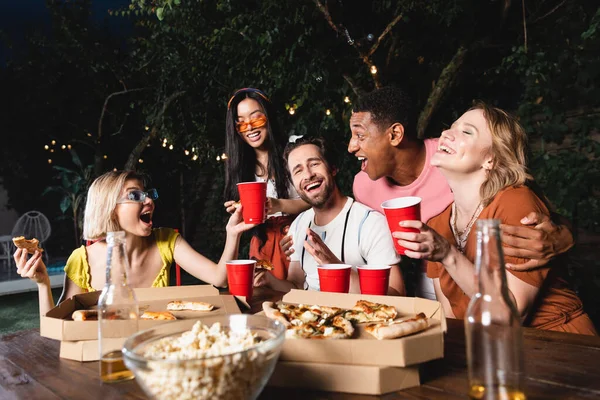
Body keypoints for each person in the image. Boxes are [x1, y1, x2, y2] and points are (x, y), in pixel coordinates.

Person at [347, 86, 575, 299]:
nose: (351, 147)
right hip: (429, 284)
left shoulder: (454, 158)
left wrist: (565, 236)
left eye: (360, 136)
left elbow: (534, 208)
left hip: (484, 282)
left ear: (395, 134)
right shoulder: (363, 186)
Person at [393, 103, 596, 334]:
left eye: (467, 131)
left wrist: (448, 254)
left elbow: (510, 315)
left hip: (559, 342)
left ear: (490, 159)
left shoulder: (516, 202)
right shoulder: (437, 224)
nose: (446, 134)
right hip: (488, 347)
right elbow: (451, 315)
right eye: (451, 127)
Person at [15, 170, 255, 316]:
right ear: (109, 209)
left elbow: (219, 278)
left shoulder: (166, 241)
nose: (149, 200)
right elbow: (58, 324)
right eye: (134, 195)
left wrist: (232, 233)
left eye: (147, 193)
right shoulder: (82, 259)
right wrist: (43, 284)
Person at [255, 137, 405, 295]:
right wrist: (269, 280)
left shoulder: (371, 223)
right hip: (309, 316)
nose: (308, 175)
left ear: (332, 168)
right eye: (298, 171)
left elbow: (397, 294)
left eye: (314, 164)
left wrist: (334, 266)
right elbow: (297, 287)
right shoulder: (299, 225)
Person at [223, 88, 309, 281]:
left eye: (256, 119)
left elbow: (317, 199)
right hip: (262, 244)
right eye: (242, 123)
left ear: (268, 117)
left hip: (298, 239)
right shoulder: (240, 166)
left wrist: (278, 205)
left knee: (300, 300)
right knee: (263, 300)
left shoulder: (294, 149)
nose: (250, 128)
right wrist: (240, 212)